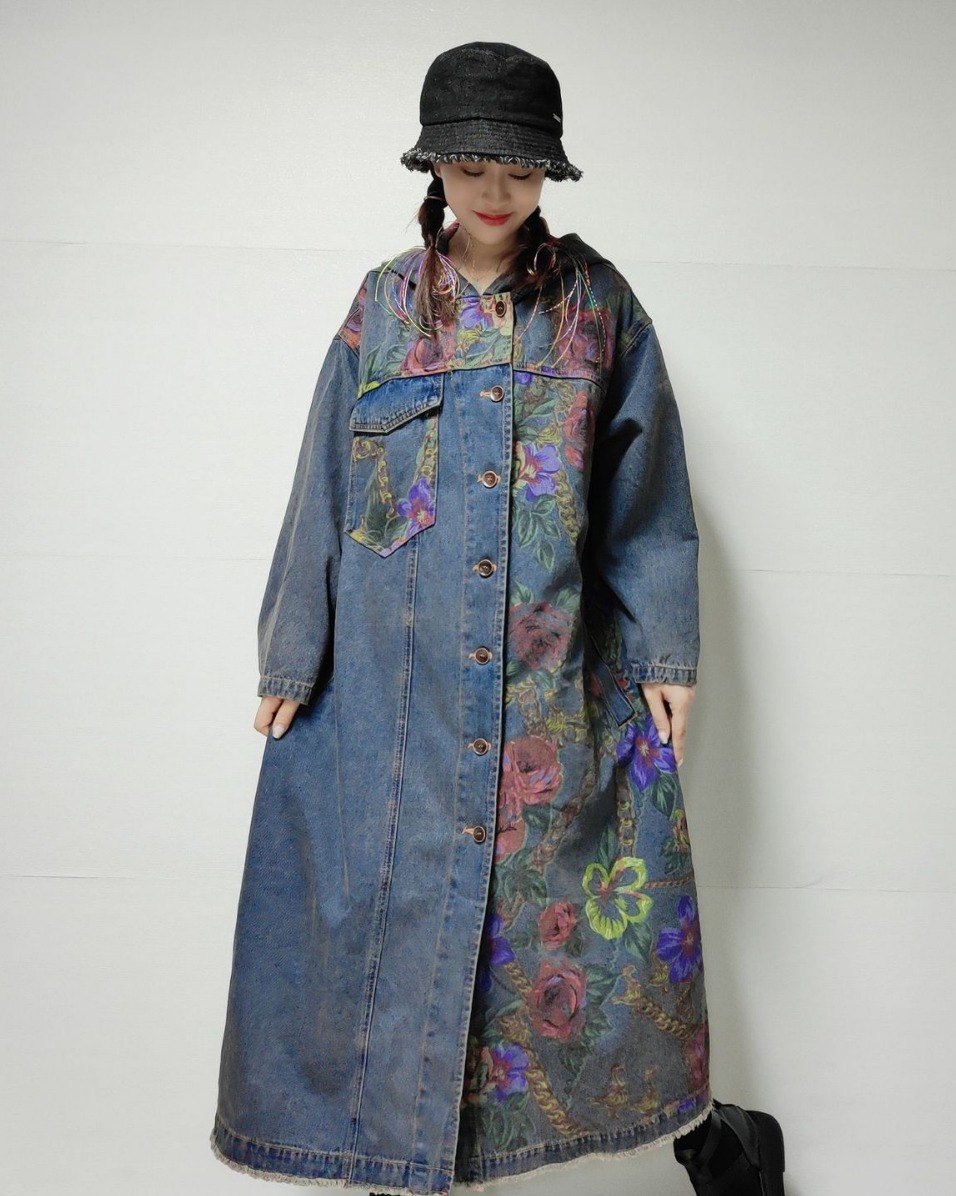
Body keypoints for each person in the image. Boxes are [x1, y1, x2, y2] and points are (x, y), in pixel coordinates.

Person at [209, 40, 785, 1196]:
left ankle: (711, 1136)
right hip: (394, 699)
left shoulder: (598, 308)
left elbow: (646, 497)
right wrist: (291, 649)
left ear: (548, 175)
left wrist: (666, 647)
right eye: (471, 165)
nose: (493, 189)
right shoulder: (381, 307)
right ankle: (395, 1166)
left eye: (518, 169)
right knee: (377, 936)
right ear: (433, 167)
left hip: (550, 696)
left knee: (592, 942)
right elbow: (324, 482)